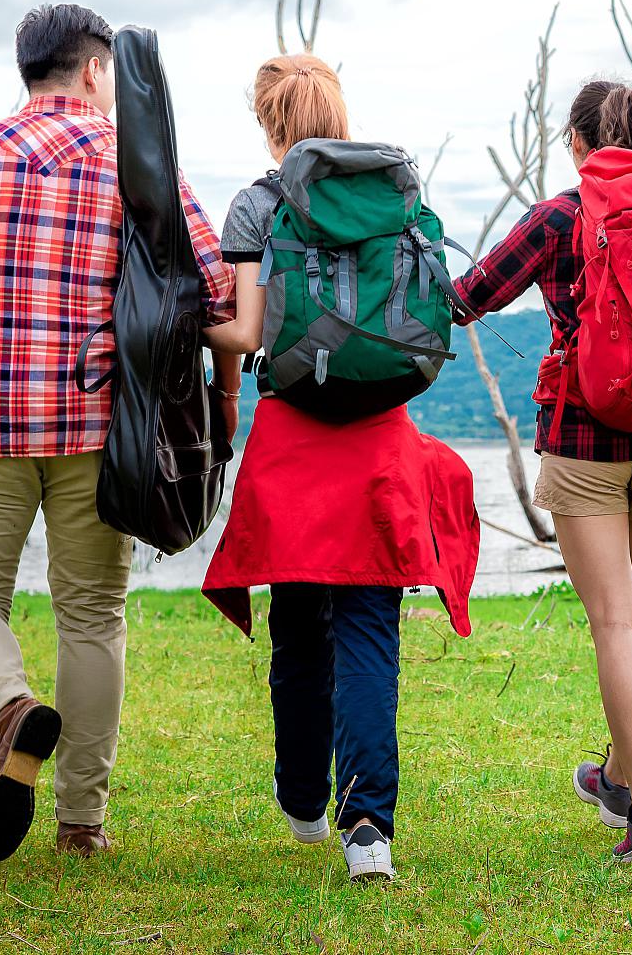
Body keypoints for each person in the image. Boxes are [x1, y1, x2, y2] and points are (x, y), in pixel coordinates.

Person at [0, 4, 238, 862]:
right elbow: (216, 295)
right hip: (100, 426)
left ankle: (9, 707)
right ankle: (82, 822)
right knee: (92, 614)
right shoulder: (137, 161)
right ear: (92, 71)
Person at [198, 54, 479, 883]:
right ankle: (369, 830)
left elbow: (247, 335)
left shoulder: (260, 201)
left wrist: (184, 322)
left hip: (295, 437)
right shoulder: (397, 194)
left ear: (271, 121)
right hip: (383, 436)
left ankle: (302, 797)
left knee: (300, 624)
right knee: (369, 629)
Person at [451, 79, 632, 864]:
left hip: (586, 433)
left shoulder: (563, 214)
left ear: (581, 144)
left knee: (616, 622)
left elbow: (470, 297)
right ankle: (619, 777)